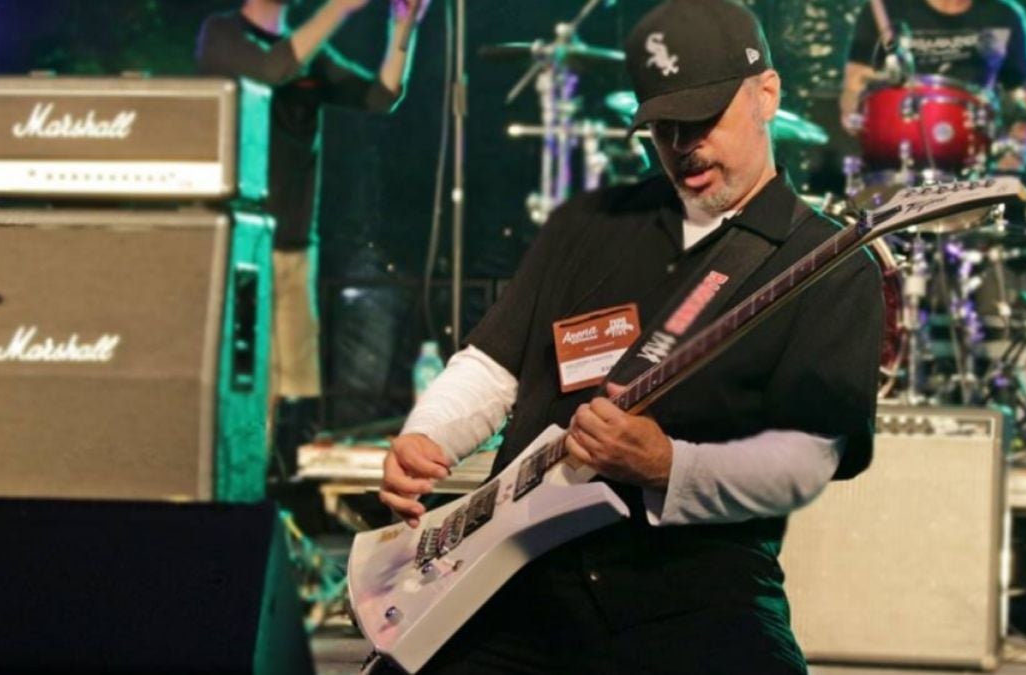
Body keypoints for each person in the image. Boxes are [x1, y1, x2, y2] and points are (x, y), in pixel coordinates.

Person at [375, 0, 884, 672]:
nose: (682, 145)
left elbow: (807, 457)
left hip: (691, 587)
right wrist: (428, 435)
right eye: (663, 127)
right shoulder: (591, 223)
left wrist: (670, 466)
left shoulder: (828, 264)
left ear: (767, 95)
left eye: (701, 119)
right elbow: (496, 363)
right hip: (516, 575)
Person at [195, 0, 427, 475]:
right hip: (240, 242)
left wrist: (401, 29)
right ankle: (234, 481)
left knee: (287, 383)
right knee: (246, 374)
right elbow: (272, 69)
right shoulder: (221, 35)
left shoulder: (308, 52)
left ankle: (266, 480)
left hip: (296, 240)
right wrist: (339, 8)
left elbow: (381, 96)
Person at [840, 0, 1026, 172]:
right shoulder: (887, 8)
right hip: (893, 160)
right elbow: (855, 85)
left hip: (973, 163)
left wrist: (1015, 156)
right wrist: (852, 112)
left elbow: (1025, 98)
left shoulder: (1001, 15)